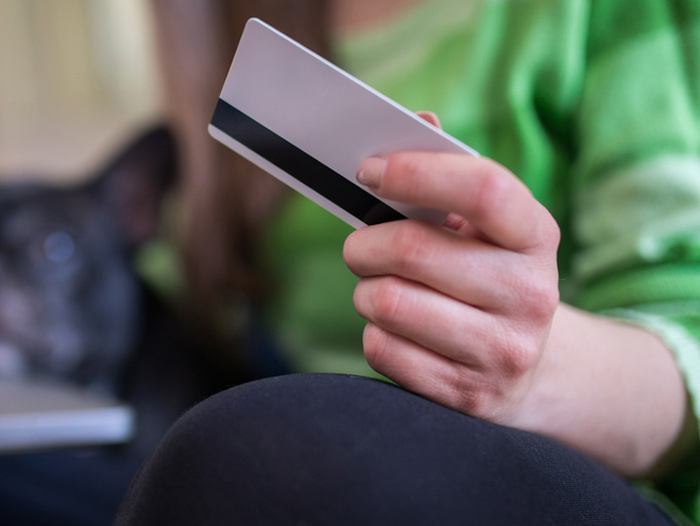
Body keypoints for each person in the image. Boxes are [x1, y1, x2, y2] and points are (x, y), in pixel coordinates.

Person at [119, 0, 700, 523]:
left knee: (245, 452)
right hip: (296, 430)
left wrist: (537, 371)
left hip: (595, 468)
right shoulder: (211, 18)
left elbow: (685, 340)